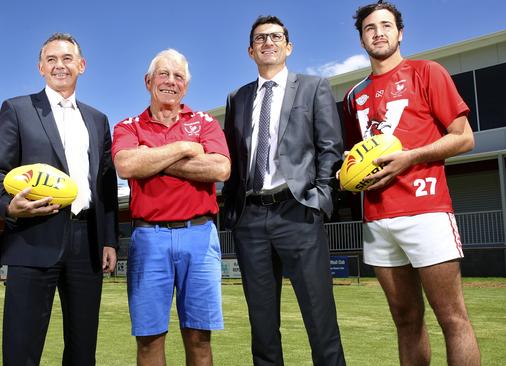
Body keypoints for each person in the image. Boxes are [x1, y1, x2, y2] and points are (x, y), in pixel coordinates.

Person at [341, 2, 480, 365]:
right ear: (361, 39)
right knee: (405, 320)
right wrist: (349, 170)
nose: (379, 33)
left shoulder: (427, 72)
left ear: (400, 33)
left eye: (386, 26)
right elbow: (356, 154)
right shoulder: (353, 96)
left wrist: (409, 157)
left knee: (452, 318)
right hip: (376, 219)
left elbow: (464, 138)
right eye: (370, 28)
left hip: (426, 210)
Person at [0, 32, 118, 365]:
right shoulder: (17, 109)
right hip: (32, 236)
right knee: (21, 347)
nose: (60, 65)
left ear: (82, 66)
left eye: (68, 59)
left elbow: (105, 185)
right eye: (52, 60)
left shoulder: (98, 120)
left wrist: (109, 240)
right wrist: (7, 205)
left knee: (82, 348)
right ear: (40, 67)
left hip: (86, 243)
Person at [222, 16, 346, 366]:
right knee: (262, 326)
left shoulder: (313, 86)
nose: (268, 42)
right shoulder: (238, 97)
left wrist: (320, 200)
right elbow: (233, 157)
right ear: (250, 51)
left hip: (298, 211)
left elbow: (330, 149)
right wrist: (234, 212)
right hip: (251, 218)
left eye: (276, 36)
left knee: (320, 320)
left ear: (288, 46)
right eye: (260, 38)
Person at [112, 49, 230, 366]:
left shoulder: (204, 123)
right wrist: (182, 149)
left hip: (200, 234)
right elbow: (126, 165)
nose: (171, 81)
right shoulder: (128, 125)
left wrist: (151, 159)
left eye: (178, 76)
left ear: (186, 86)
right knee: (149, 340)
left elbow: (219, 169)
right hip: (149, 237)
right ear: (148, 81)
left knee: (199, 339)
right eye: (163, 74)